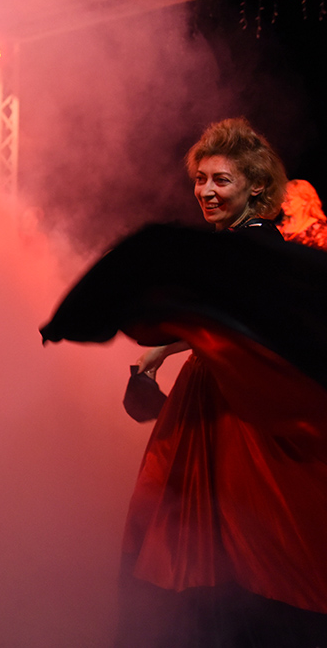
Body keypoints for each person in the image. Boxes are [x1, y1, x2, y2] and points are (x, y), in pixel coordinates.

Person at [41, 118, 327, 646]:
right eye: (200, 179)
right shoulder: (238, 251)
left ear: (256, 187)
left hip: (244, 423)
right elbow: (223, 311)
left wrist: (150, 331)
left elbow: (240, 312)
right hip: (214, 405)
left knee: (239, 548)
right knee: (203, 544)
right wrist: (164, 347)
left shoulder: (255, 248)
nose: (206, 191)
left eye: (221, 180)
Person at [278, 179, 327, 250]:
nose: (283, 205)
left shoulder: (319, 230)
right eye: (282, 201)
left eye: (288, 200)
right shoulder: (279, 227)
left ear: (305, 200)